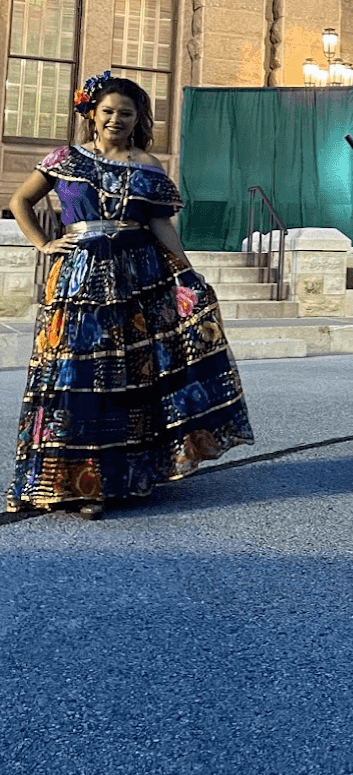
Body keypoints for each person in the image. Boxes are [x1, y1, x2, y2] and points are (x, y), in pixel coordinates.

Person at [6, 72, 253, 518]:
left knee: (128, 375)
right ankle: (75, 481)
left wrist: (187, 274)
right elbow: (21, 201)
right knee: (76, 375)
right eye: (108, 111)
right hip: (78, 279)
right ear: (92, 115)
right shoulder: (65, 158)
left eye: (126, 112)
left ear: (138, 118)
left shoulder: (148, 166)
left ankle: (125, 477)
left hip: (137, 276)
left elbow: (161, 225)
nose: (116, 118)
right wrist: (44, 243)